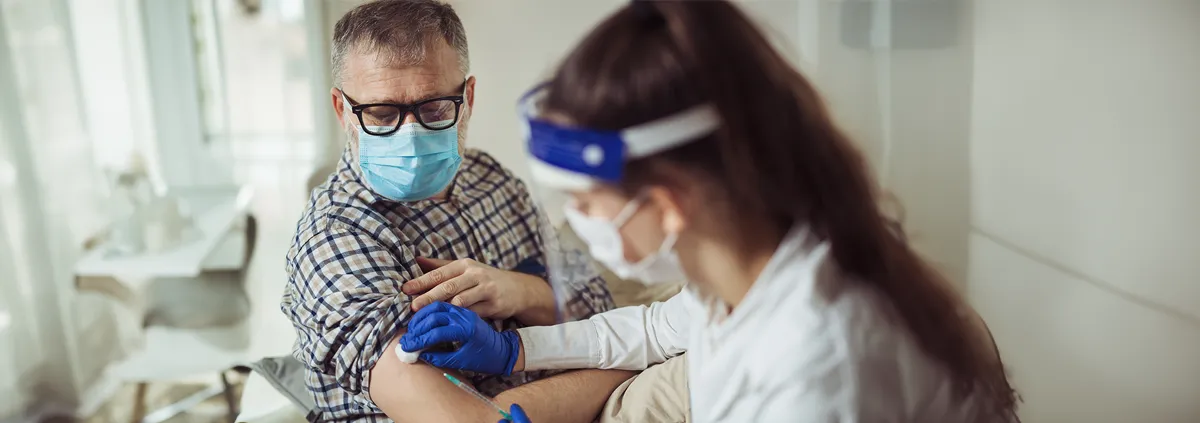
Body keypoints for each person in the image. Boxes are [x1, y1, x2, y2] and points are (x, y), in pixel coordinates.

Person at [399, 1, 1022, 422]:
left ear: (668, 205)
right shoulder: (753, 261)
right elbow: (654, 330)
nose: (576, 219)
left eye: (586, 202)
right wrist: (515, 353)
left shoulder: (821, 361)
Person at [281, 1, 642, 421]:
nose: (410, 134)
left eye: (434, 109)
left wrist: (518, 290)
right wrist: (631, 363)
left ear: (467, 97)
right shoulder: (337, 236)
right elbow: (471, 419)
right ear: (343, 109)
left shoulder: (490, 178)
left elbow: (595, 301)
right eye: (381, 114)